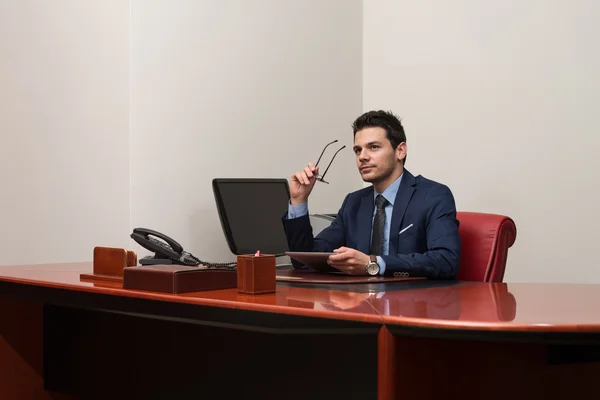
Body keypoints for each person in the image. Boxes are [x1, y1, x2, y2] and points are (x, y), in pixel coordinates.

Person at [281, 110, 461, 279]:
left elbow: (446, 260)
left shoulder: (433, 196)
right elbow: (305, 262)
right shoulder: (354, 202)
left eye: (373, 147)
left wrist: (374, 264)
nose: (362, 157)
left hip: (412, 302)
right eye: (358, 150)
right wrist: (299, 201)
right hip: (359, 302)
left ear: (400, 151)